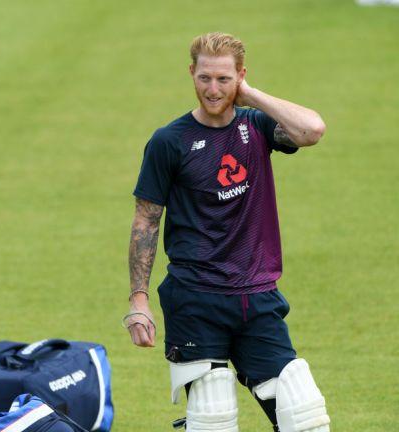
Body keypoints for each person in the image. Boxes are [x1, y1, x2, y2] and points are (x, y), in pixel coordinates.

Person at [124, 32, 330, 432]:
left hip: (257, 297)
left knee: (304, 417)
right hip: (195, 299)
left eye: (223, 79)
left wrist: (251, 96)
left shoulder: (257, 126)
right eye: (204, 78)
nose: (213, 89)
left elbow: (312, 130)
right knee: (212, 418)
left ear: (240, 76)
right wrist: (138, 300)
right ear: (191, 74)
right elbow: (146, 221)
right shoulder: (170, 141)